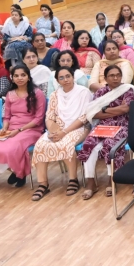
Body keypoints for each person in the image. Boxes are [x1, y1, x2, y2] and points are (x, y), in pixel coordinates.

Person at [30, 67, 93, 201]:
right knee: (40, 145)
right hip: (58, 128)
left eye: (68, 76)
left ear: (73, 77)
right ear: (57, 81)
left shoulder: (84, 92)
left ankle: (73, 179)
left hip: (79, 128)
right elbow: (49, 116)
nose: (65, 80)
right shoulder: (55, 94)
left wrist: (64, 132)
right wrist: (53, 132)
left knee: (65, 145)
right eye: (61, 78)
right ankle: (43, 184)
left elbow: (84, 117)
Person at [78, 65, 134, 199]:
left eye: (118, 75)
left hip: (122, 126)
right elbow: (93, 113)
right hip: (102, 126)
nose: (115, 78)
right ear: (105, 78)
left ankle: (111, 180)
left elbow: (125, 109)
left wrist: (104, 109)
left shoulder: (127, 90)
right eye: (112, 75)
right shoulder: (100, 92)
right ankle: (91, 183)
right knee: (88, 144)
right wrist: (115, 110)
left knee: (110, 144)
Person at [0, 65, 46, 187]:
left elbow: (38, 118)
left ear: (28, 77)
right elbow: (7, 117)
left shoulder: (37, 93)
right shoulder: (10, 94)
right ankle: (17, 171)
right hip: (11, 128)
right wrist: (4, 128)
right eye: (16, 76)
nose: (20, 78)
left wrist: (20, 130)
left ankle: (19, 172)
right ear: (12, 78)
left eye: (23, 75)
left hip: (31, 129)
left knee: (12, 148)